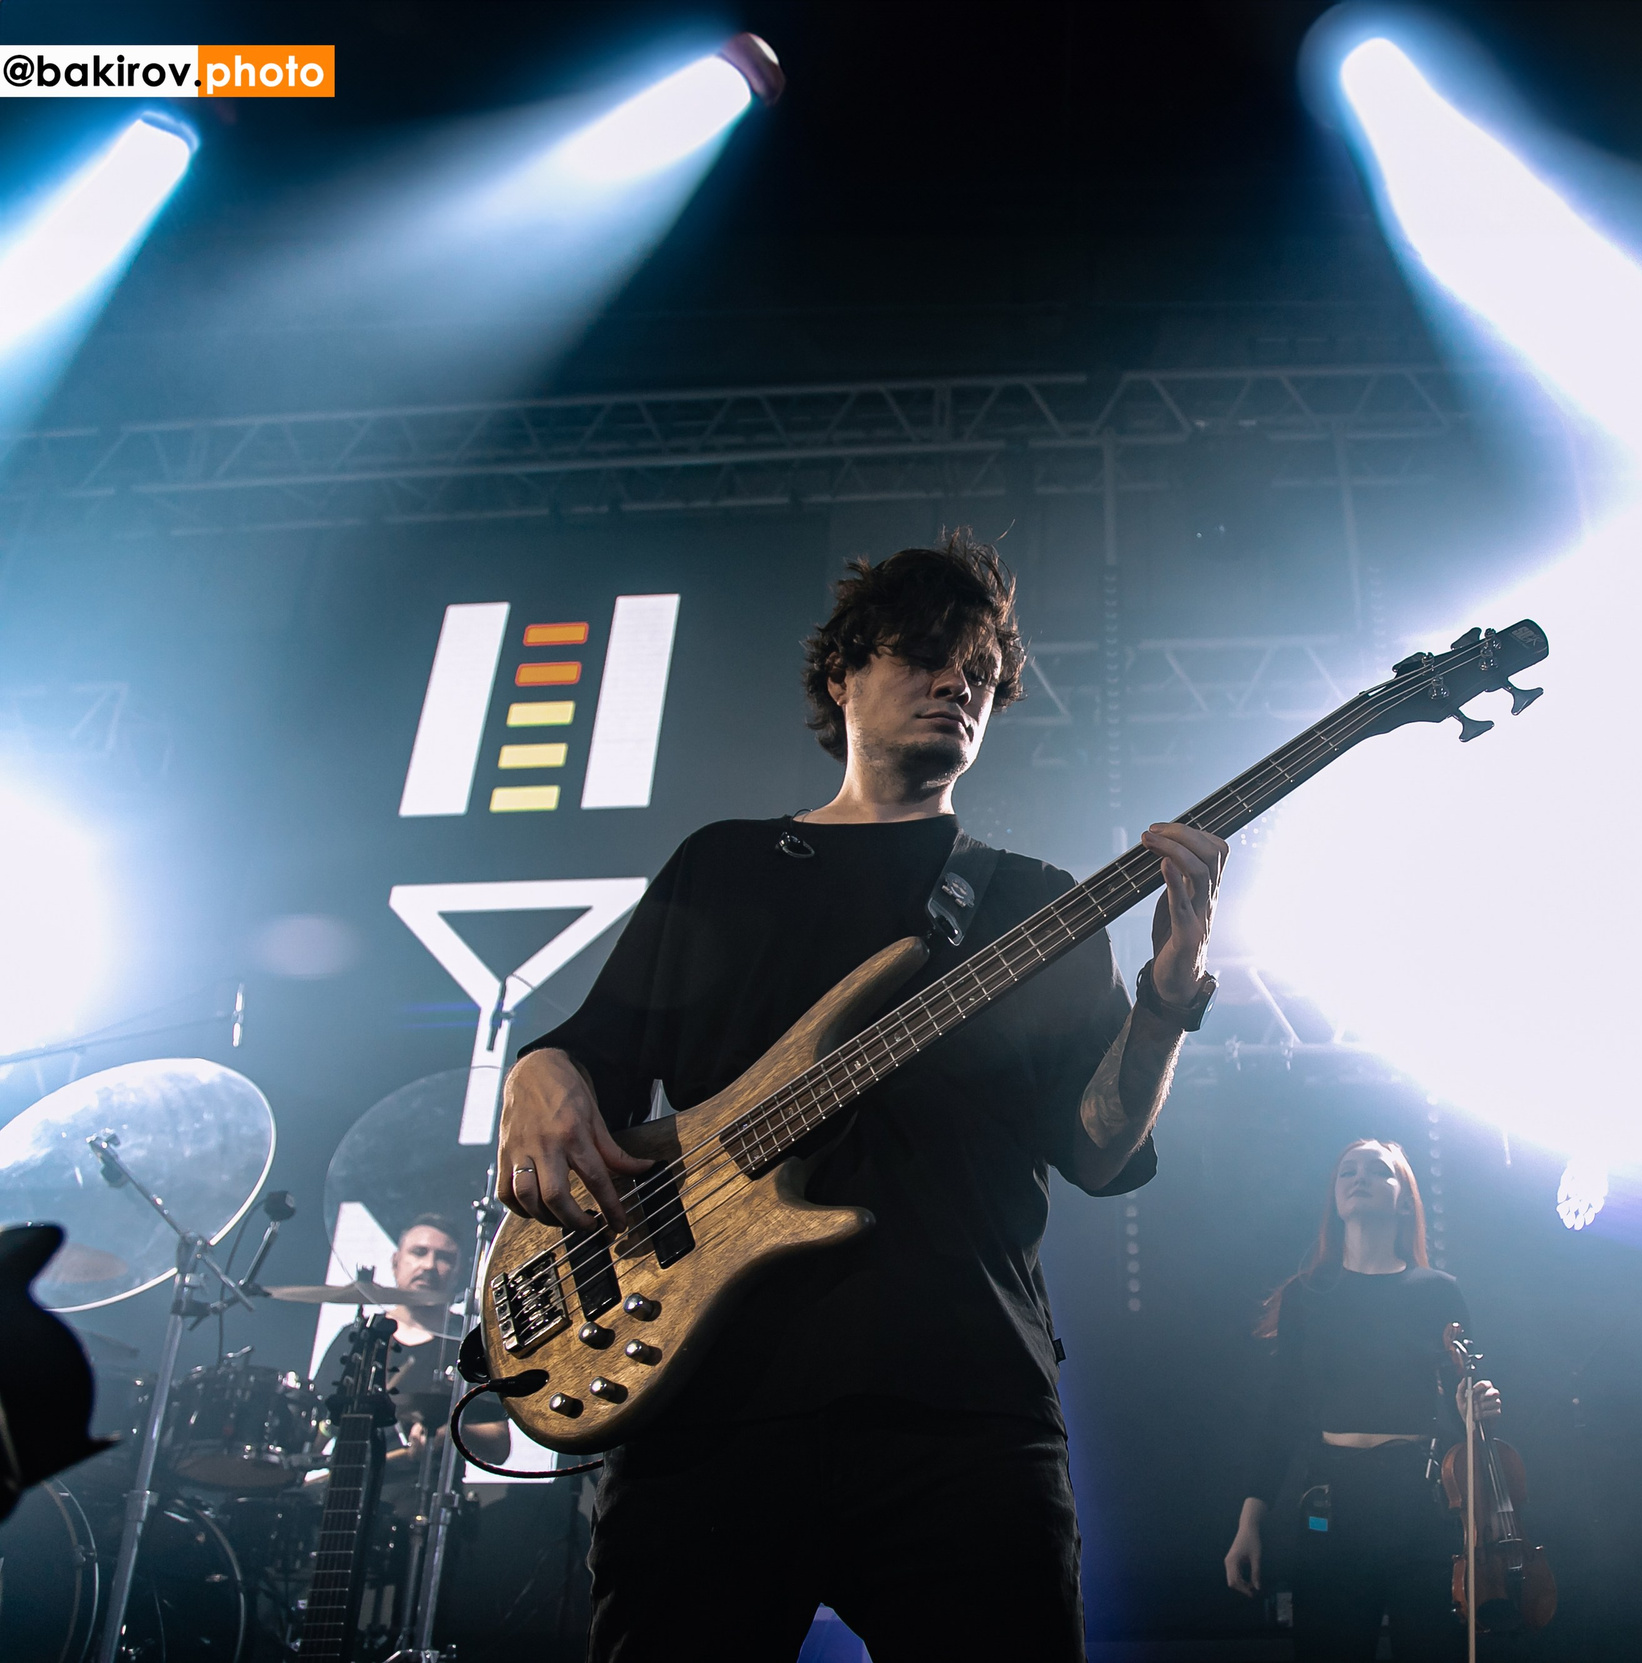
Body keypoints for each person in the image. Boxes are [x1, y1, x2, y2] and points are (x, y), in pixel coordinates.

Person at [496, 531, 1228, 1663]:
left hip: (960, 1402)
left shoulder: (1033, 903)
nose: (957, 686)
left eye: (979, 676)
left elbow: (1097, 1146)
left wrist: (1167, 995)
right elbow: (590, 1056)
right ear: (842, 674)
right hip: (706, 1401)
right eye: (928, 657)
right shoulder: (725, 866)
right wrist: (536, 1067)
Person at [1225, 1138, 1502, 1663]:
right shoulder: (1307, 1295)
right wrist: (1250, 1523)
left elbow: (1458, 1398)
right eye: (1347, 1171)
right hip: (1332, 1501)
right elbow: (1280, 1415)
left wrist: (1473, 1408)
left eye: (1378, 1171)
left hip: (1420, 1501)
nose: (1359, 1178)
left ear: (1403, 1198)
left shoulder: (1438, 1290)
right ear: (1335, 1197)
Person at [317, 1213, 509, 1470]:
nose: (429, 1265)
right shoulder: (357, 1336)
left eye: (444, 1257)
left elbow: (499, 1446)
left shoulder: (470, 1345)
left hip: (423, 1501)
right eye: (419, 1252)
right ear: (396, 1262)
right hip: (348, 1493)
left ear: (460, 1271)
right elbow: (314, 1432)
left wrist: (452, 1430)